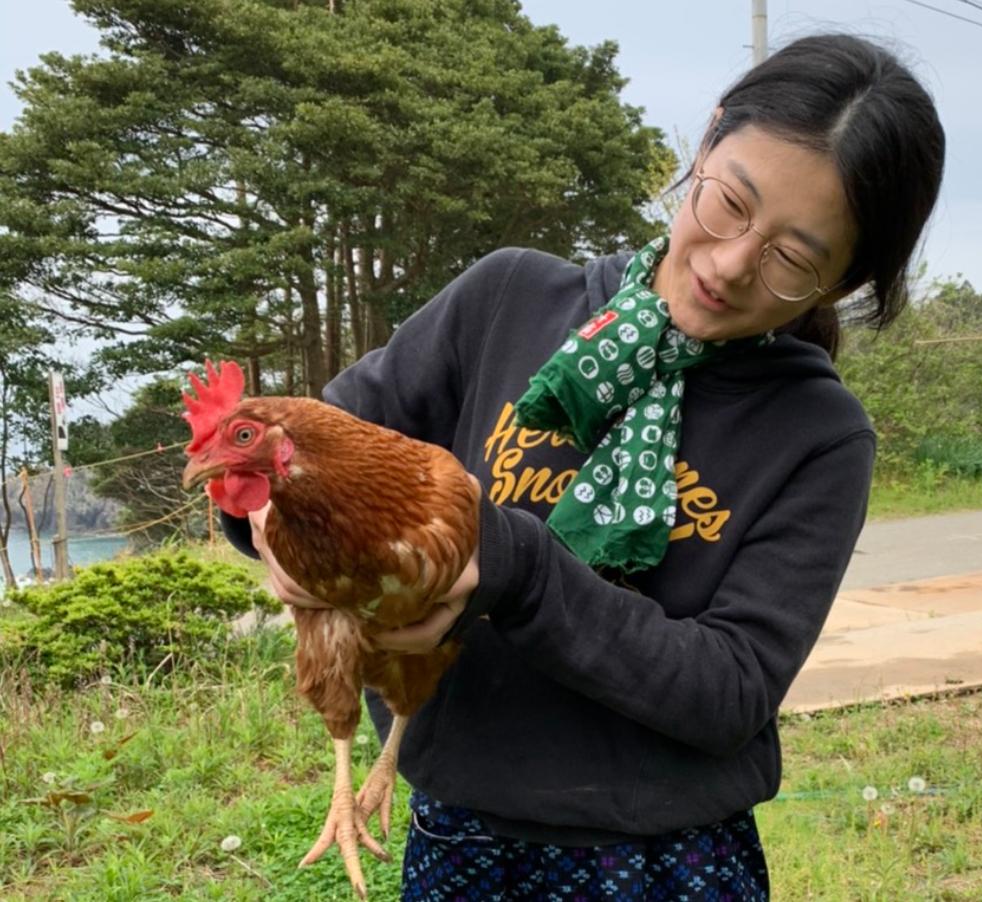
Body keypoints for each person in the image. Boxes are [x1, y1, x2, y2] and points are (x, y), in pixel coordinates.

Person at [233, 32, 945, 900]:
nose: (728, 264)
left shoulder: (819, 435)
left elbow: (728, 692)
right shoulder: (506, 303)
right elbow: (307, 446)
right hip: (463, 837)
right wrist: (263, 520)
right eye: (728, 204)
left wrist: (519, 567)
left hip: (667, 861)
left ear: (842, 282)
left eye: (793, 258)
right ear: (707, 140)